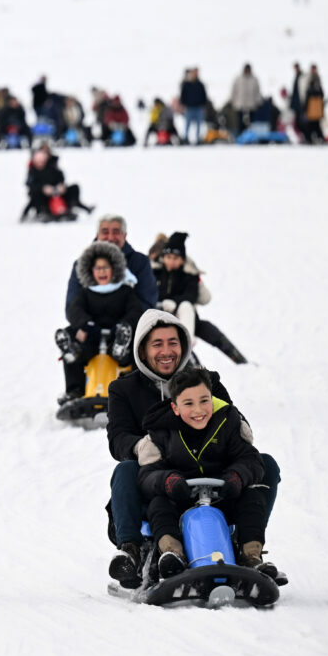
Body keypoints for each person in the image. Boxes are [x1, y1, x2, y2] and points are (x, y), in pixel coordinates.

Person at [103, 310, 281, 588]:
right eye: (157, 343)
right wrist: (143, 447)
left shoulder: (205, 381)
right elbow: (117, 438)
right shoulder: (125, 389)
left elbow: (227, 418)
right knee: (125, 469)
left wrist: (240, 438)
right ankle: (132, 551)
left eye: (173, 342)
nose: (166, 351)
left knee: (264, 464)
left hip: (211, 476)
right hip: (159, 479)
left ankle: (249, 547)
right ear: (142, 349)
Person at [137, 367, 278, 579]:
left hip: (223, 496)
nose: (199, 410)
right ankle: (172, 555)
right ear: (175, 408)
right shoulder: (160, 432)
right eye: (189, 404)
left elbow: (250, 459)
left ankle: (251, 556)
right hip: (179, 500)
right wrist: (168, 481)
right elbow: (146, 475)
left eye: (204, 401)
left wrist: (236, 477)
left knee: (252, 498)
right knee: (158, 505)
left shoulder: (228, 421)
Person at [55, 241, 145, 403]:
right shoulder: (86, 293)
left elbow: (135, 311)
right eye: (98, 268)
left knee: (132, 348)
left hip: (116, 336)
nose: (102, 271)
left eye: (106, 267)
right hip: (92, 338)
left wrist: (123, 325)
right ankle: (75, 383)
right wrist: (86, 324)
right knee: (72, 333)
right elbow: (75, 310)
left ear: (114, 269)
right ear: (92, 271)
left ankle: (121, 353)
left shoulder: (125, 291)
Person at [148, 232, 247, 363]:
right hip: (160, 317)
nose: (171, 261)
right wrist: (162, 304)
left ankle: (237, 358)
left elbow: (191, 296)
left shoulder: (189, 274)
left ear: (182, 259)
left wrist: (175, 303)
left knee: (203, 325)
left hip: (185, 317)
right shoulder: (155, 272)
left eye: (175, 258)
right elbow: (149, 293)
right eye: (168, 257)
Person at [64, 214, 157, 314]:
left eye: (116, 232)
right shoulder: (82, 264)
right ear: (97, 235)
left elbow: (147, 302)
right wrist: (89, 324)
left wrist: (125, 323)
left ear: (124, 235)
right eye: (105, 232)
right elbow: (72, 306)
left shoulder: (140, 262)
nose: (111, 237)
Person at [21, 142, 93, 221]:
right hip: (43, 198)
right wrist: (43, 189)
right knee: (36, 195)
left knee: (74, 188)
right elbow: (30, 184)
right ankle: (43, 213)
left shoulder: (53, 167)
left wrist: (60, 186)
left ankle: (68, 209)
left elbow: (60, 178)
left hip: (56, 193)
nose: (40, 163)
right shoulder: (32, 171)